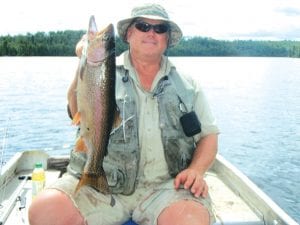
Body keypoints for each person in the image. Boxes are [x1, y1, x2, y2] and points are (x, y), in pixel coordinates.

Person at [28, 3, 219, 225]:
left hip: (168, 188)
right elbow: (75, 112)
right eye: (143, 25)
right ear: (129, 33)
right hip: (104, 187)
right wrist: (82, 62)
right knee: (45, 211)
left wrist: (196, 170)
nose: (151, 33)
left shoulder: (188, 86)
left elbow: (209, 135)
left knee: (190, 220)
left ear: (167, 39)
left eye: (159, 29)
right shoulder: (103, 68)